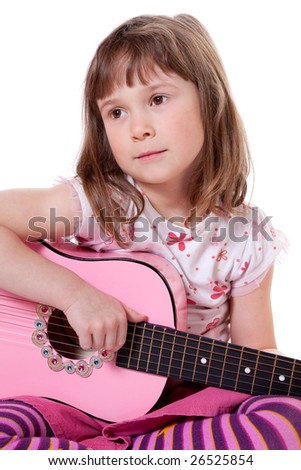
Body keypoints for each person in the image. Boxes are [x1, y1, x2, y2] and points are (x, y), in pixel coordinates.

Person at [0, 14, 300, 450]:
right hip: (68, 404)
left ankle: (116, 453)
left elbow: (257, 365)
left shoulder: (245, 238)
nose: (138, 127)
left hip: (184, 408)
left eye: (157, 98)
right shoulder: (97, 205)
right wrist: (75, 297)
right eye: (117, 112)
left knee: (286, 416)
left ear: (209, 101)